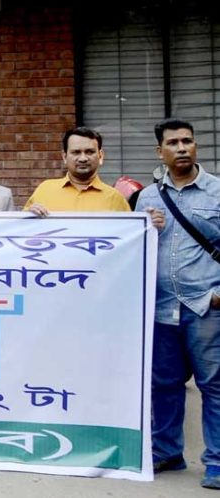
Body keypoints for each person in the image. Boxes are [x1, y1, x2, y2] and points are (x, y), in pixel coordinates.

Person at [135, 118, 220, 489]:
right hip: (161, 306)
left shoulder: (217, 191)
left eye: (188, 141)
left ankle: (216, 462)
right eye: (173, 142)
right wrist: (143, 226)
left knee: (214, 386)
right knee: (163, 384)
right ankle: (167, 451)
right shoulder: (148, 197)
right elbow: (132, 249)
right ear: (160, 151)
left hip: (206, 305)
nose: (182, 148)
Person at [25, 127, 130, 215]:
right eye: (76, 152)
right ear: (65, 157)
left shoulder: (115, 199)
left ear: (100, 156)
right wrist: (28, 217)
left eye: (89, 152)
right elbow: (20, 232)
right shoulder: (45, 191)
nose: (83, 158)